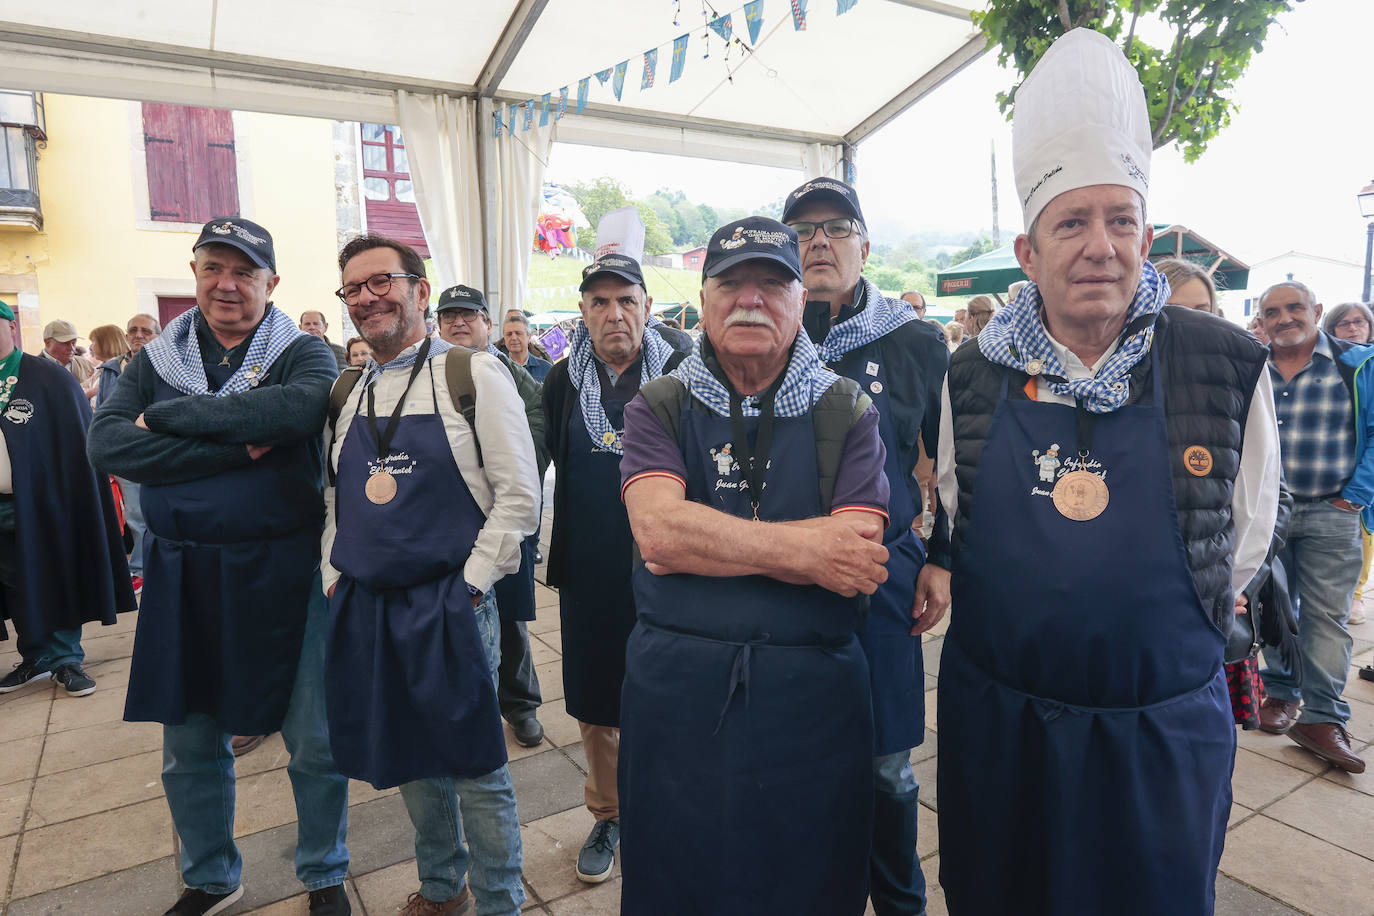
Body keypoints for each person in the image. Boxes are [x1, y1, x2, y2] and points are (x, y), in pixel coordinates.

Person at [931, 29, 1280, 914]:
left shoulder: (1227, 362)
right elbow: (956, 510)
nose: (1099, 246)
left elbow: (1244, 534)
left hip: (1157, 732)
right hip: (1002, 729)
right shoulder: (970, 373)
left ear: (1146, 233)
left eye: (1120, 220)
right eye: (1072, 223)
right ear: (1027, 252)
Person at [618, 217, 892, 914]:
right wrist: (807, 548)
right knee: (678, 876)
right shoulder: (660, 404)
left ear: (801, 301)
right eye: (731, 284)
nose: (750, 300)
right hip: (677, 694)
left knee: (807, 878)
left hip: (813, 701)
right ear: (703, 301)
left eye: (772, 284)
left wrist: (711, 540)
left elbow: (855, 559)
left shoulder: (845, 407)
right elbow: (658, 534)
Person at [87, 217, 351, 916]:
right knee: (190, 743)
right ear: (196, 273)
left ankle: (325, 872)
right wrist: (238, 441)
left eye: (243, 272)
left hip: (285, 571)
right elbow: (109, 445)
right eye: (212, 268)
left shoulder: (305, 352)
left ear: (271, 283)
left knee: (315, 742)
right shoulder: (156, 359)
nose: (226, 285)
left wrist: (167, 421)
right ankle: (210, 877)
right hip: (184, 578)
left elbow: (296, 413)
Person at [324, 235, 539, 915]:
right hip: (369, 604)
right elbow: (336, 498)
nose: (367, 298)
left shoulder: (471, 375)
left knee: (476, 768)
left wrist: (472, 584)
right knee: (412, 759)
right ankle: (443, 889)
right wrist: (335, 573)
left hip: (452, 603)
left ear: (420, 291)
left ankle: (501, 902)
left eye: (381, 281)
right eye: (353, 289)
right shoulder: (348, 390)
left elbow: (520, 497)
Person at [782, 177, 948, 915]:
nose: (818, 242)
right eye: (803, 231)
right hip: (782, 577)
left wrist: (942, 559)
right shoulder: (762, 334)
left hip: (882, 576)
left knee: (887, 767)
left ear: (864, 245)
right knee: (797, 758)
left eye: (835, 228)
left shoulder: (913, 340)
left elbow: (953, 465)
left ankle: (900, 901)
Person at [542, 253, 692, 884]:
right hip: (592, 566)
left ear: (648, 307)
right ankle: (608, 812)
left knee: (676, 688)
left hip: (671, 566)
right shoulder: (560, 382)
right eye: (599, 303)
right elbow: (551, 458)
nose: (614, 315)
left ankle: (673, 806)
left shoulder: (685, 372)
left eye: (626, 301)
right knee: (599, 698)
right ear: (582, 312)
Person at [1256, 281, 1374, 774]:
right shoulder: (1250, 363)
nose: (1284, 318)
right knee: (1276, 611)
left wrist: (1358, 494)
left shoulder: (1358, 363)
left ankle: (1323, 717)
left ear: (1316, 311)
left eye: (1294, 308)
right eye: (1272, 312)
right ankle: (1281, 693)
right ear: (1261, 321)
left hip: (1332, 509)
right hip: (1269, 512)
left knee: (1326, 618)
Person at [0, 298, 133, 698]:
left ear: (10, 327)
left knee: (54, 574)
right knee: (15, 584)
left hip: (45, 502)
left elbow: (76, 442)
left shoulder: (48, 378)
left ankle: (64, 658)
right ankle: (35, 656)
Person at [435, 283, 550, 749]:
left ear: (488, 324)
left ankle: (520, 707)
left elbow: (539, 424)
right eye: (449, 317)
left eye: (468, 315)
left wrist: (514, 470)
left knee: (509, 621)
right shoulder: (429, 371)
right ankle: (463, 710)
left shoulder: (510, 374)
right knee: (451, 618)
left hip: (501, 516)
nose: (458, 323)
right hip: (447, 521)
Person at [102, 313, 162, 595]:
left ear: (157, 335)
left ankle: (146, 568)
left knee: (152, 513)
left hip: (156, 449)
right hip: (126, 450)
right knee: (135, 517)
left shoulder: (165, 365)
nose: (139, 335)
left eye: (146, 331)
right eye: (133, 330)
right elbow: (103, 411)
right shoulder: (112, 368)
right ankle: (140, 569)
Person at [1324, 302, 1374, 624]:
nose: (1353, 327)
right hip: (1321, 482)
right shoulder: (1325, 364)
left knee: (1364, 537)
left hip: (1358, 479)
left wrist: (1358, 492)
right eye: (1344, 323)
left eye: (1360, 321)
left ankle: (1355, 595)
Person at [39, 319, 95, 388]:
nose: (72, 348)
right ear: (47, 342)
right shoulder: (33, 369)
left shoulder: (86, 365)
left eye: (74, 343)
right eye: (65, 343)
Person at [502, 312, 552, 383]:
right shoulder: (498, 368)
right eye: (509, 334)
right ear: (504, 338)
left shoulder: (546, 369)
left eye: (518, 333)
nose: (513, 338)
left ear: (529, 337)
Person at [87, 324, 131, 403]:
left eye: (93, 342)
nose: (90, 347)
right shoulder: (102, 368)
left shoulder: (120, 367)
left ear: (105, 343)